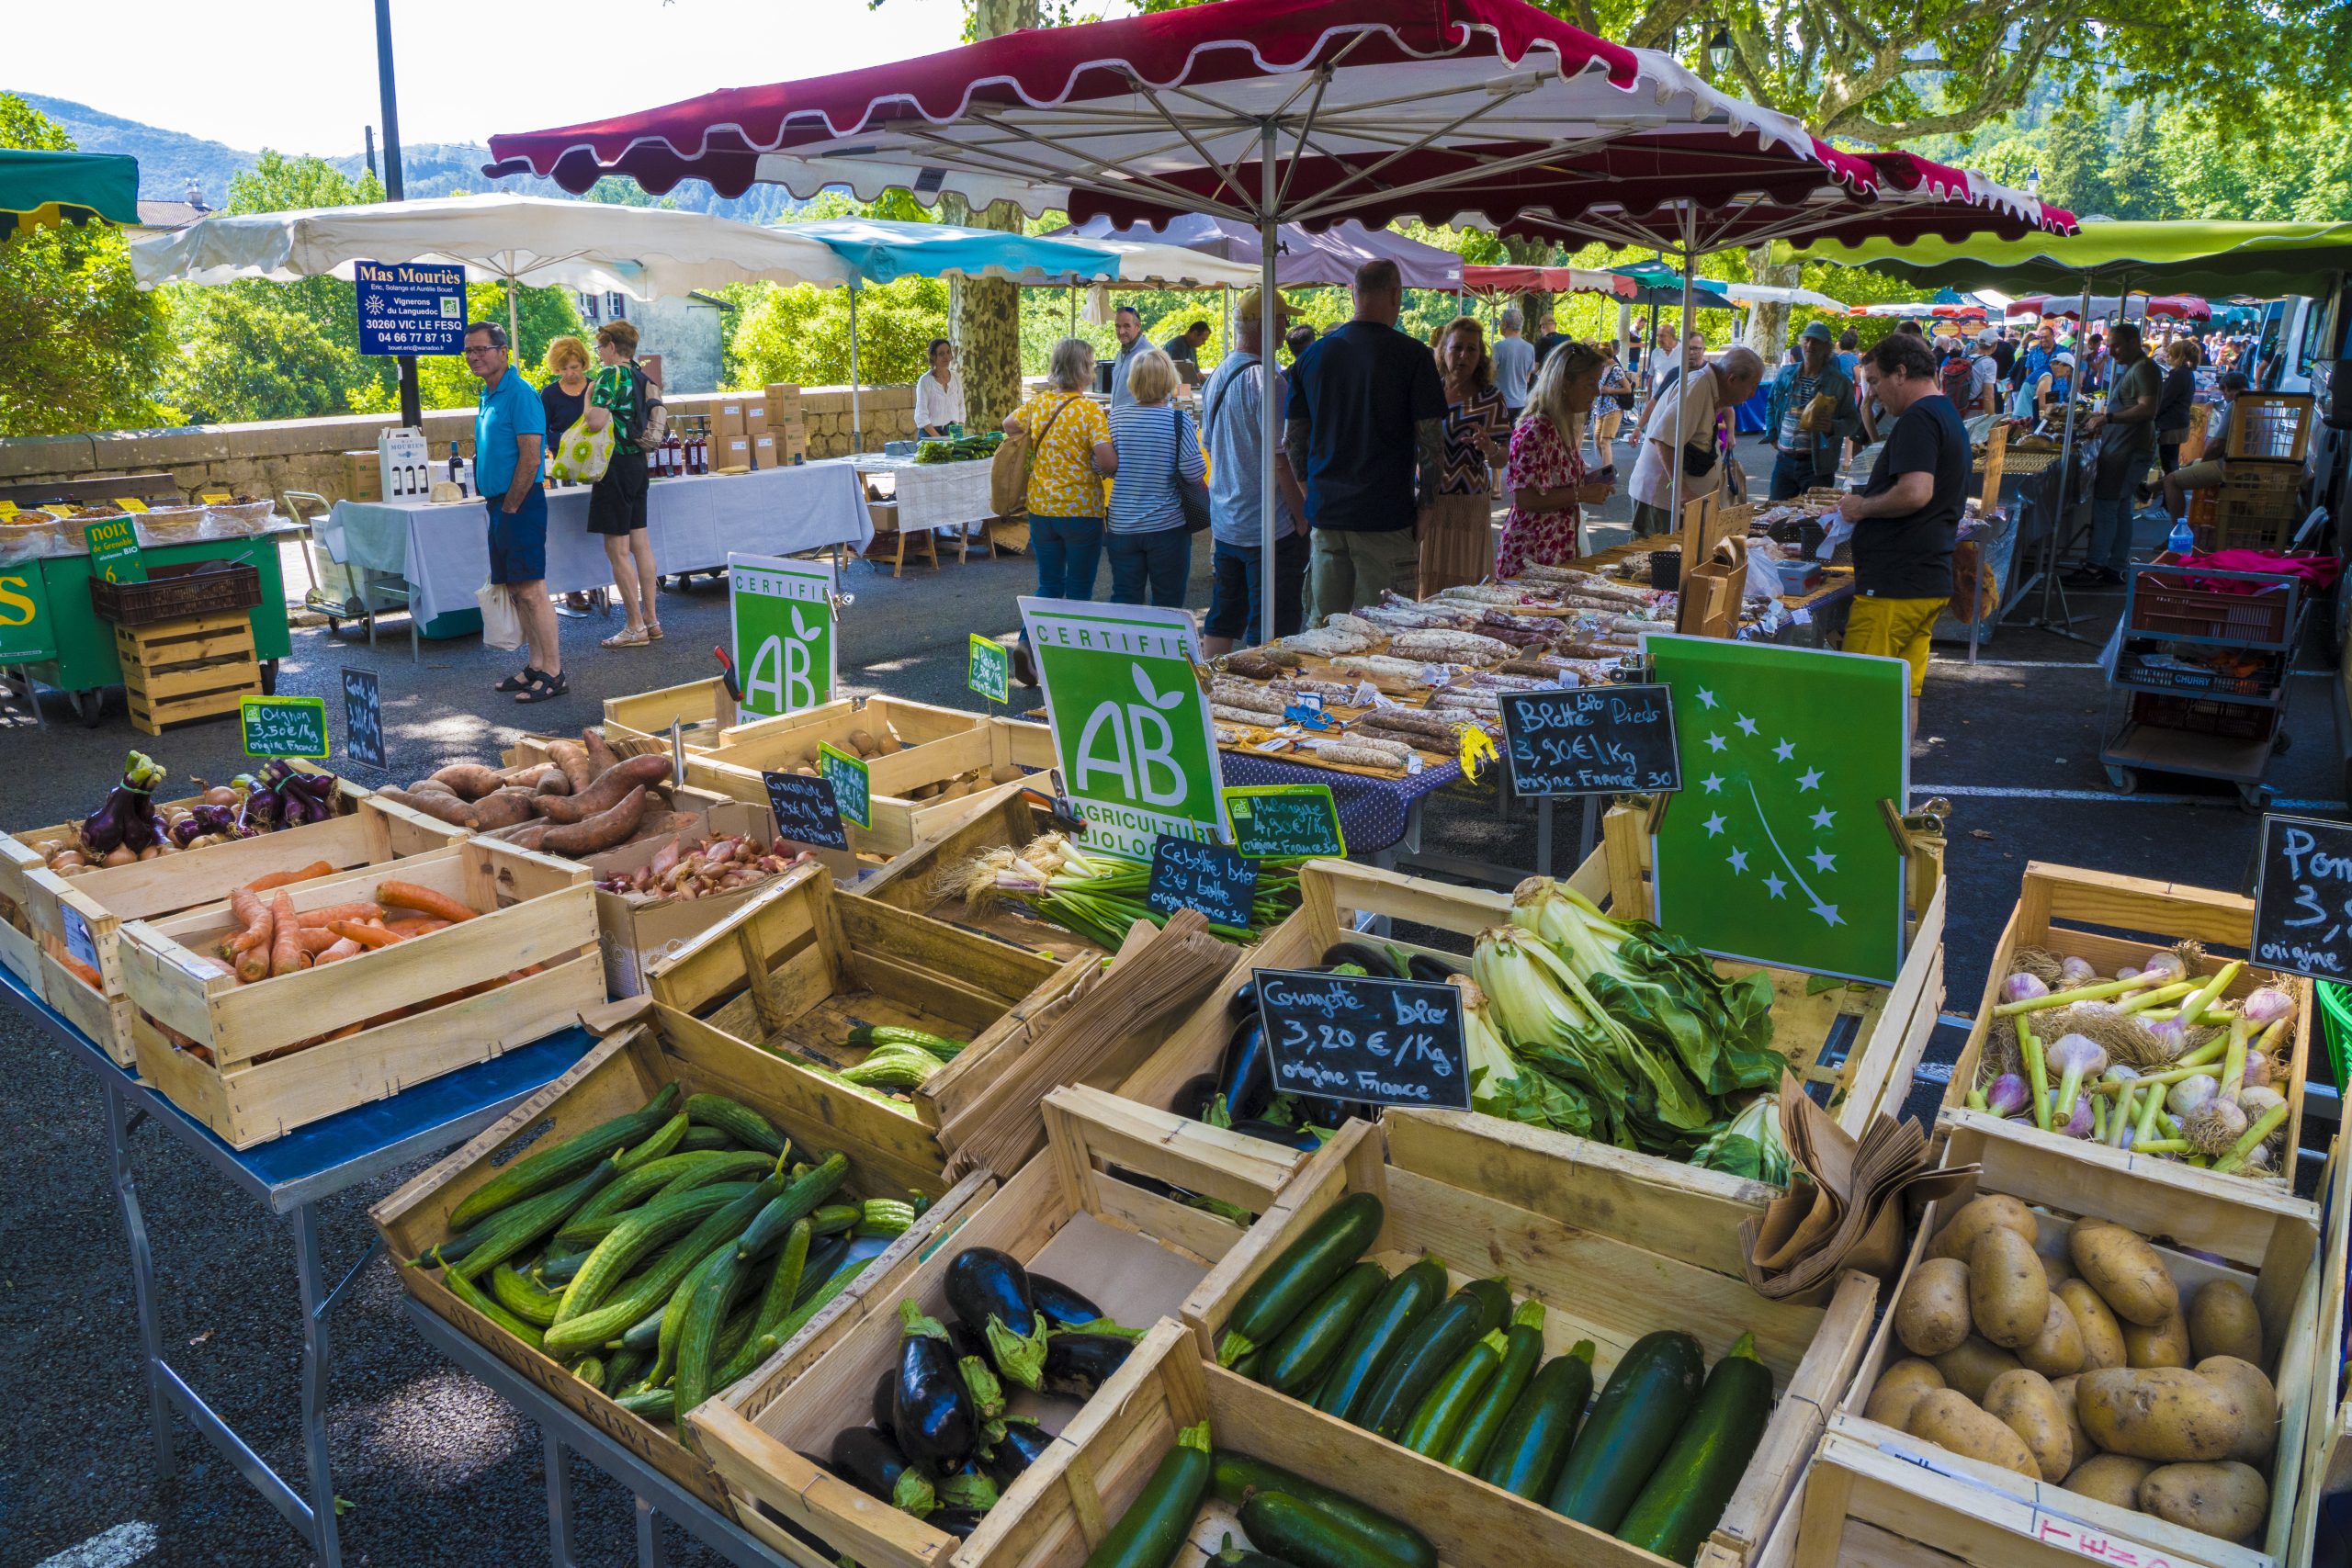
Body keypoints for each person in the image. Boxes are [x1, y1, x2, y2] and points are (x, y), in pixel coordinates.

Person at [1284, 257, 1446, 622]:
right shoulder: (1415, 357)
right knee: (1387, 635)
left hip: (1328, 515)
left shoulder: (1311, 357)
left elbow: (1293, 439)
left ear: (1353, 294)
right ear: (1396, 294)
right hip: (1385, 516)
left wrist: (1310, 491)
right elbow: (1432, 443)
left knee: (1324, 635)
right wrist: (1428, 506)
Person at [1832, 332, 1968, 716]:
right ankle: (1898, 776)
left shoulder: (1919, 418)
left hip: (1896, 586)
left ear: (1901, 373)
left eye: (1874, 381)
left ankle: (1858, 775)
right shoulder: (1942, 413)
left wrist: (1861, 508)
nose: (1872, 393)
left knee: (1858, 698)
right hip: (1922, 579)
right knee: (1905, 693)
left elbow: (1915, 492)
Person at [1201, 289, 1309, 656]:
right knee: (1272, 627)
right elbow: (1281, 458)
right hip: (1269, 527)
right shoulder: (1269, 380)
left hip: (1227, 520)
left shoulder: (1218, 374)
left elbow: (1209, 443)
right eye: (1283, 320)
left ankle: (1212, 693)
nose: (1286, 327)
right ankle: (1260, 696)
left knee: (1223, 616)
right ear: (1268, 325)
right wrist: (1301, 515)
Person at [464, 321, 560, 703]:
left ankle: (554, 670)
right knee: (517, 589)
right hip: (500, 503)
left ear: (503, 351)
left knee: (533, 589)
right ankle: (536, 664)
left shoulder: (519, 393)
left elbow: (531, 454)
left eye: (481, 349)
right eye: (469, 351)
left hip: (519, 501)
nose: (474, 357)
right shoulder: (489, 394)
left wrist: (512, 505)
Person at [1004, 337, 1117, 601]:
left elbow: (1009, 424)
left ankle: (1028, 641)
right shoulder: (1090, 411)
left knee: (1049, 586)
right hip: (1080, 510)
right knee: (1079, 590)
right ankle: (1072, 642)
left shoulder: (1038, 404)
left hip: (1042, 508)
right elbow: (1109, 463)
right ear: (1084, 369)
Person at [580, 321, 661, 648]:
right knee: (641, 543)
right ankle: (652, 620)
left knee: (616, 549)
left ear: (612, 346)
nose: (598, 353)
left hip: (614, 465)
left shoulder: (609, 376)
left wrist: (588, 398)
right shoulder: (642, 375)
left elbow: (595, 420)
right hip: (638, 464)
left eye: (600, 347)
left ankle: (633, 626)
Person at [1627, 343, 1763, 537]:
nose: (1753, 394)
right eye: (1752, 386)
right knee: (1657, 560)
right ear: (1732, 379)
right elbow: (1663, 440)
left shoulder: (1708, 387)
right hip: (1662, 502)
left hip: (1674, 503)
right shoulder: (1697, 387)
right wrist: (1683, 492)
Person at [1501, 342, 1612, 576]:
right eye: (1590, 384)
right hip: (1532, 555)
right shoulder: (1536, 430)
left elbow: (1556, 483)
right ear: (1564, 384)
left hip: (1556, 548)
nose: (1597, 392)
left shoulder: (1560, 424)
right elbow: (1525, 499)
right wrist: (1582, 494)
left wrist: (1590, 483)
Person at [1104, 347, 1204, 607]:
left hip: (1122, 524)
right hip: (1167, 526)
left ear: (1133, 381)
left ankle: (1126, 647)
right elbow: (1193, 473)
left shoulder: (1115, 418)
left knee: (1125, 597)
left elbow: (1102, 466)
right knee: (1168, 602)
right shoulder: (1178, 421)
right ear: (1168, 379)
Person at [1424, 317, 1510, 594]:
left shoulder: (1490, 399)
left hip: (1467, 506)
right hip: (1427, 502)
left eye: (1472, 349)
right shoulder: (1428, 389)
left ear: (1480, 355)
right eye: (1457, 347)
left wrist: (1489, 447)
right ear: (1443, 350)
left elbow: (1502, 458)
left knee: (1464, 587)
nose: (1463, 355)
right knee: (1426, 582)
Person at [2071, 321, 2160, 588]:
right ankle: (2114, 566)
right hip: (2124, 449)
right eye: (2110, 347)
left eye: (2116, 346)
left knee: (2107, 507)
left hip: (2128, 451)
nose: (2111, 352)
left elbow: (2148, 410)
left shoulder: (2144, 368)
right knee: (2120, 509)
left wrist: (2108, 418)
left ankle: (2096, 566)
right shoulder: (2137, 368)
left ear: (2134, 342)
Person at [1762, 321, 1864, 501]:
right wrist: (1772, 434)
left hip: (1818, 466)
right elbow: (1771, 404)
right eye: (1807, 340)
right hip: (1784, 461)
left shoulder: (1839, 383)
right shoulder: (1786, 373)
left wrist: (1832, 427)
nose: (1810, 345)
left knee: (1813, 520)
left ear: (1827, 348)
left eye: (1816, 341)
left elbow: (1853, 422)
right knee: (1774, 517)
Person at [2162, 372, 2247, 521]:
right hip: (2242, 462)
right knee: (2188, 465)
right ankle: (2149, 488)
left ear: (2226, 388)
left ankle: (2178, 530)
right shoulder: (2261, 403)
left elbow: (2217, 444)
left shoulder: (2236, 404)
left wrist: (2203, 462)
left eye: (2223, 393)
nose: (2224, 398)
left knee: (2171, 481)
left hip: (2230, 466)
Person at [2154, 338, 2199, 476]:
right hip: (2178, 423)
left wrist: (2152, 415)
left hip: (2172, 424)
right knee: (2170, 463)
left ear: (2179, 356)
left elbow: (2165, 400)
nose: (2168, 357)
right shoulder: (2186, 373)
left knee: (2169, 465)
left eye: (2171, 354)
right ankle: (2169, 493)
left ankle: (2170, 495)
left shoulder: (2179, 374)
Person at [540, 336, 591, 452]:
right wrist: (566, 438)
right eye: (564, 369)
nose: (569, 373)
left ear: (583, 363)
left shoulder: (595, 388)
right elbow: (542, 431)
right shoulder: (549, 394)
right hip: (561, 460)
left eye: (574, 367)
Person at [1491, 306, 1536, 424]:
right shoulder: (1529, 348)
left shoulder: (1498, 347)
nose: (1499, 324)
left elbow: (1490, 374)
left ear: (1505, 324)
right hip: (1521, 403)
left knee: (1501, 439)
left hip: (1501, 402)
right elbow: (1527, 377)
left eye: (1500, 321)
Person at [1590, 342, 1634, 461]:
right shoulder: (1603, 368)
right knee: (1598, 440)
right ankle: (1609, 470)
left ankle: (1607, 475)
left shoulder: (1616, 369)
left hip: (1613, 408)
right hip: (1601, 408)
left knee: (1605, 441)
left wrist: (1610, 389)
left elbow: (1628, 389)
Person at [914, 336, 964, 435]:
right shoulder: (925, 381)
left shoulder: (956, 377)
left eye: (948, 352)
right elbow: (921, 416)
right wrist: (939, 439)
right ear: (933, 357)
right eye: (941, 354)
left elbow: (961, 407)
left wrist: (958, 432)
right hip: (929, 433)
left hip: (952, 431)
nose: (946, 357)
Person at [2010, 324, 2056, 419]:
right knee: (2042, 415)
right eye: (2041, 337)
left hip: (2054, 391)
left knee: (2050, 411)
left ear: (2053, 336)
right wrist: (2043, 417)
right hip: (2038, 390)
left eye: (2045, 337)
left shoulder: (2062, 351)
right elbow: (2029, 369)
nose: (2043, 340)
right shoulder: (2034, 352)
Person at [1107, 306, 1146, 412]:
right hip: (1119, 421)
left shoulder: (1148, 355)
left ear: (1138, 326)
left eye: (1126, 326)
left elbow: (1165, 394)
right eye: (1117, 326)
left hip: (1136, 424)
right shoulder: (1121, 353)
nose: (1121, 332)